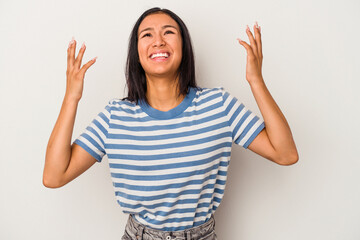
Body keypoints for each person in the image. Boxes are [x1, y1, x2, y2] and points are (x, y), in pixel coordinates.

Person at [43, 7, 298, 240]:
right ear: (137, 54)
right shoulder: (115, 117)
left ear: (183, 47)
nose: (158, 41)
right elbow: (54, 176)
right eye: (147, 35)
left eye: (168, 32)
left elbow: (285, 153)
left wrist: (255, 80)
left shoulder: (218, 105)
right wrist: (71, 97)